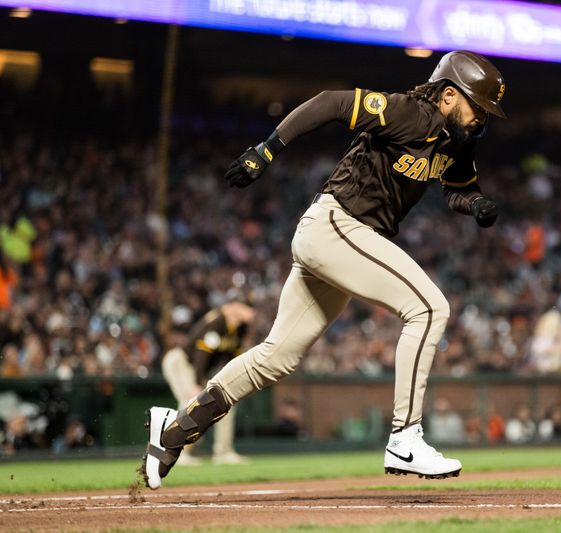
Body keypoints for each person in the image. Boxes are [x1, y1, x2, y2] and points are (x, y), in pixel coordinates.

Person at [141, 50, 507, 489]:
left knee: (276, 358)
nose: (481, 119)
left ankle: (174, 430)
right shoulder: (414, 113)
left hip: (342, 240)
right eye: (478, 107)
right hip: (337, 225)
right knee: (429, 309)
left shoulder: (458, 142)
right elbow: (330, 103)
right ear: (449, 95)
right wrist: (267, 149)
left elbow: (457, 189)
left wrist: (475, 205)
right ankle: (405, 436)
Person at [160, 301, 255, 465]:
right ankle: (174, 453)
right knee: (190, 403)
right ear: (233, 306)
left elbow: (232, 358)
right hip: (182, 362)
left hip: (200, 369)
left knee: (225, 402)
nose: (250, 312)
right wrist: (197, 383)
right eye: (246, 307)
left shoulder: (240, 328)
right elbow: (201, 354)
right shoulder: (217, 322)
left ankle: (223, 452)